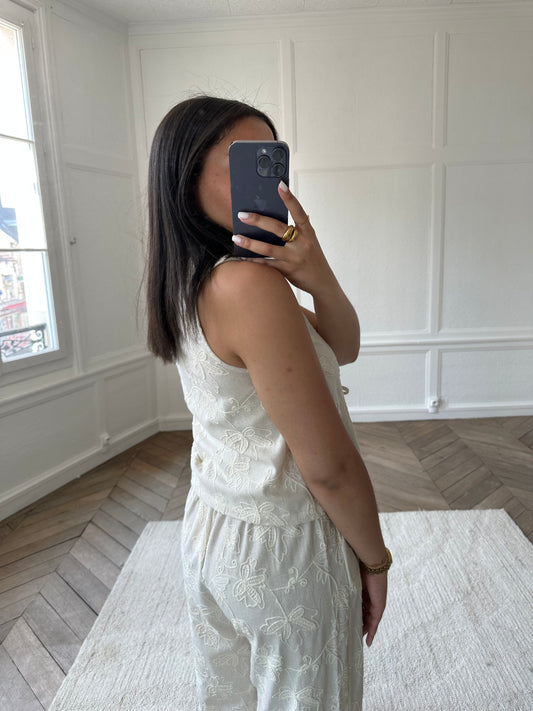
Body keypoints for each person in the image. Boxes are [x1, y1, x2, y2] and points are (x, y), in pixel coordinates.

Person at [146, 95, 391, 711]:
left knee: (230, 696)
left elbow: (343, 346)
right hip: (282, 547)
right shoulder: (249, 286)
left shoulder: (191, 276)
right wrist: (376, 560)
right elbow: (329, 467)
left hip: (213, 524)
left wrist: (317, 270)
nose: (271, 183)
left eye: (273, 162)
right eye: (245, 161)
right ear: (185, 177)